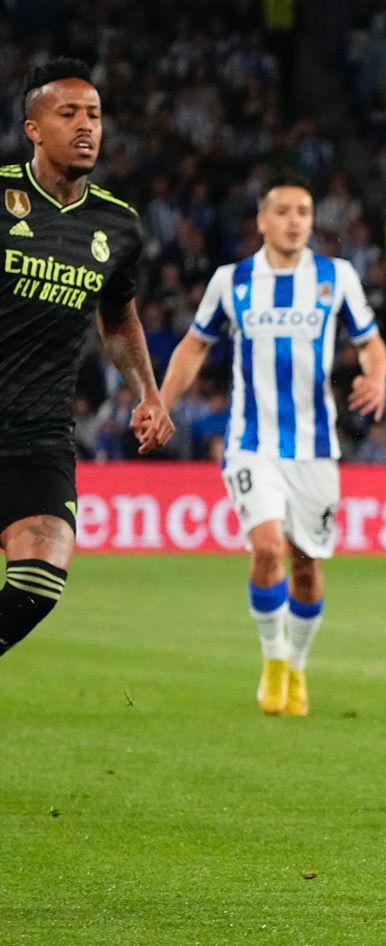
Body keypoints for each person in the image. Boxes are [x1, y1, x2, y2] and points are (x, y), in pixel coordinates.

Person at [158, 176, 386, 716]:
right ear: (261, 221)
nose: (294, 220)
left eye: (304, 212)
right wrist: (161, 402)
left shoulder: (337, 278)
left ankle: (299, 667)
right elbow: (194, 347)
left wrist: (377, 378)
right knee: (267, 548)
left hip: (313, 447)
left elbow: (372, 343)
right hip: (250, 443)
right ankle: (273, 658)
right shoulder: (231, 281)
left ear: (312, 221)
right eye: (282, 211)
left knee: (306, 565)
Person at [0, 58, 174, 658]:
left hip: (41, 433)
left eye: (94, 116)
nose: (85, 126)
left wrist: (149, 392)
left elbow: (118, 317)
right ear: (33, 128)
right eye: (67, 113)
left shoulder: (117, 225)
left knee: (38, 582)